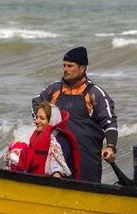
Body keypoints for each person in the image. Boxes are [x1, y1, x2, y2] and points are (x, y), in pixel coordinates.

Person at [31, 47, 117, 183]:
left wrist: (110, 147)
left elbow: (110, 122)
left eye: (70, 66)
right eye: (64, 65)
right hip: (57, 159)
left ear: (83, 68)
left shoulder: (95, 93)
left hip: (86, 158)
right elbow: (36, 103)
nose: (65, 69)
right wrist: (43, 121)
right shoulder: (53, 90)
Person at [6, 102, 80, 178]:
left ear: (52, 120)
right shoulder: (37, 137)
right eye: (37, 117)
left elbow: (61, 171)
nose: (37, 121)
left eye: (42, 118)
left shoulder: (60, 142)